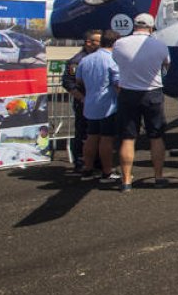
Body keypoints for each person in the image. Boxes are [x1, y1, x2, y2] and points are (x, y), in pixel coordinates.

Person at [112, 13, 170, 191]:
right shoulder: (160, 45)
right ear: (151, 28)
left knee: (128, 138)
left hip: (128, 92)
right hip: (152, 93)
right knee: (156, 136)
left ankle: (126, 180)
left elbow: (116, 62)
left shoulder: (120, 43)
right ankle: (158, 177)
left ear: (134, 25)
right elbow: (166, 66)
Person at [76, 29, 120, 183]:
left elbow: (79, 80)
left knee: (91, 138)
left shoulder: (86, 60)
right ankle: (107, 172)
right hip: (108, 106)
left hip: (90, 104)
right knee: (107, 139)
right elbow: (117, 84)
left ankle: (87, 170)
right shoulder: (112, 60)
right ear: (115, 43)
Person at [62, 30, 101, 174]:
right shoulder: (77, 61)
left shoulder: (97, 58)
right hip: (84, 102)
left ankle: (95, 161)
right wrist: (81, 98)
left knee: (95, 133)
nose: (101, 44)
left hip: (95, 102)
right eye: (98, 41)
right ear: (88, 43)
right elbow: (68, 82)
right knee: (83, 133)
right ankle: (80, 161)